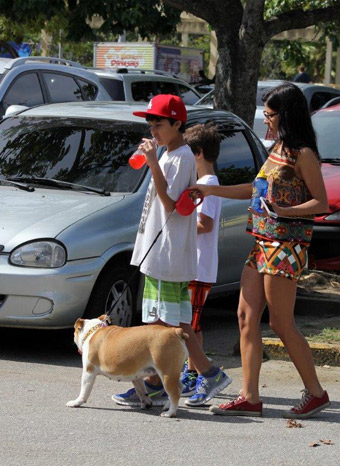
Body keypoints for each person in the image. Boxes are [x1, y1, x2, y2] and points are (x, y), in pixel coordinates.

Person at [190, 83, 330, 418]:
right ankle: (249, 396)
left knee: (281, 323)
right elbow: (256, 190)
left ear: (286, 116)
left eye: (269, 116)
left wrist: (286, 211)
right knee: (245, 317)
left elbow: (321, 202)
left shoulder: (303, 154)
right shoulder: (277, 147)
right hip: (262, 244)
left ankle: (316, 392)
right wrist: (210, 192)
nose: (264, 121)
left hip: (285, 246)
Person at [111, 95, 231, 409]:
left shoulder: (180, 157)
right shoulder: (169, 153)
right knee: (171, 323)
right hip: (160, 251)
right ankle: (196, 375)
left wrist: (153, 163)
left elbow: (173, 207)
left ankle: (161, 383)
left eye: (159, 124)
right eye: (150, 124)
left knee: (165, 325)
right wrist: (153, 160)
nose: (153, 130)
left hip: (169, 252)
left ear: (177, 124)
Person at [179, 123, 228, 407]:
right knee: (192, 324)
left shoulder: (208, 185)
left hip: (199, 266)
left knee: (189, 325)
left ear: (197, 153)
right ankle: (192, 371)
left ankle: (202, 374)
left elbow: (205, 223)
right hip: (195, 266)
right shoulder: (205, 183)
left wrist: (179, 222)